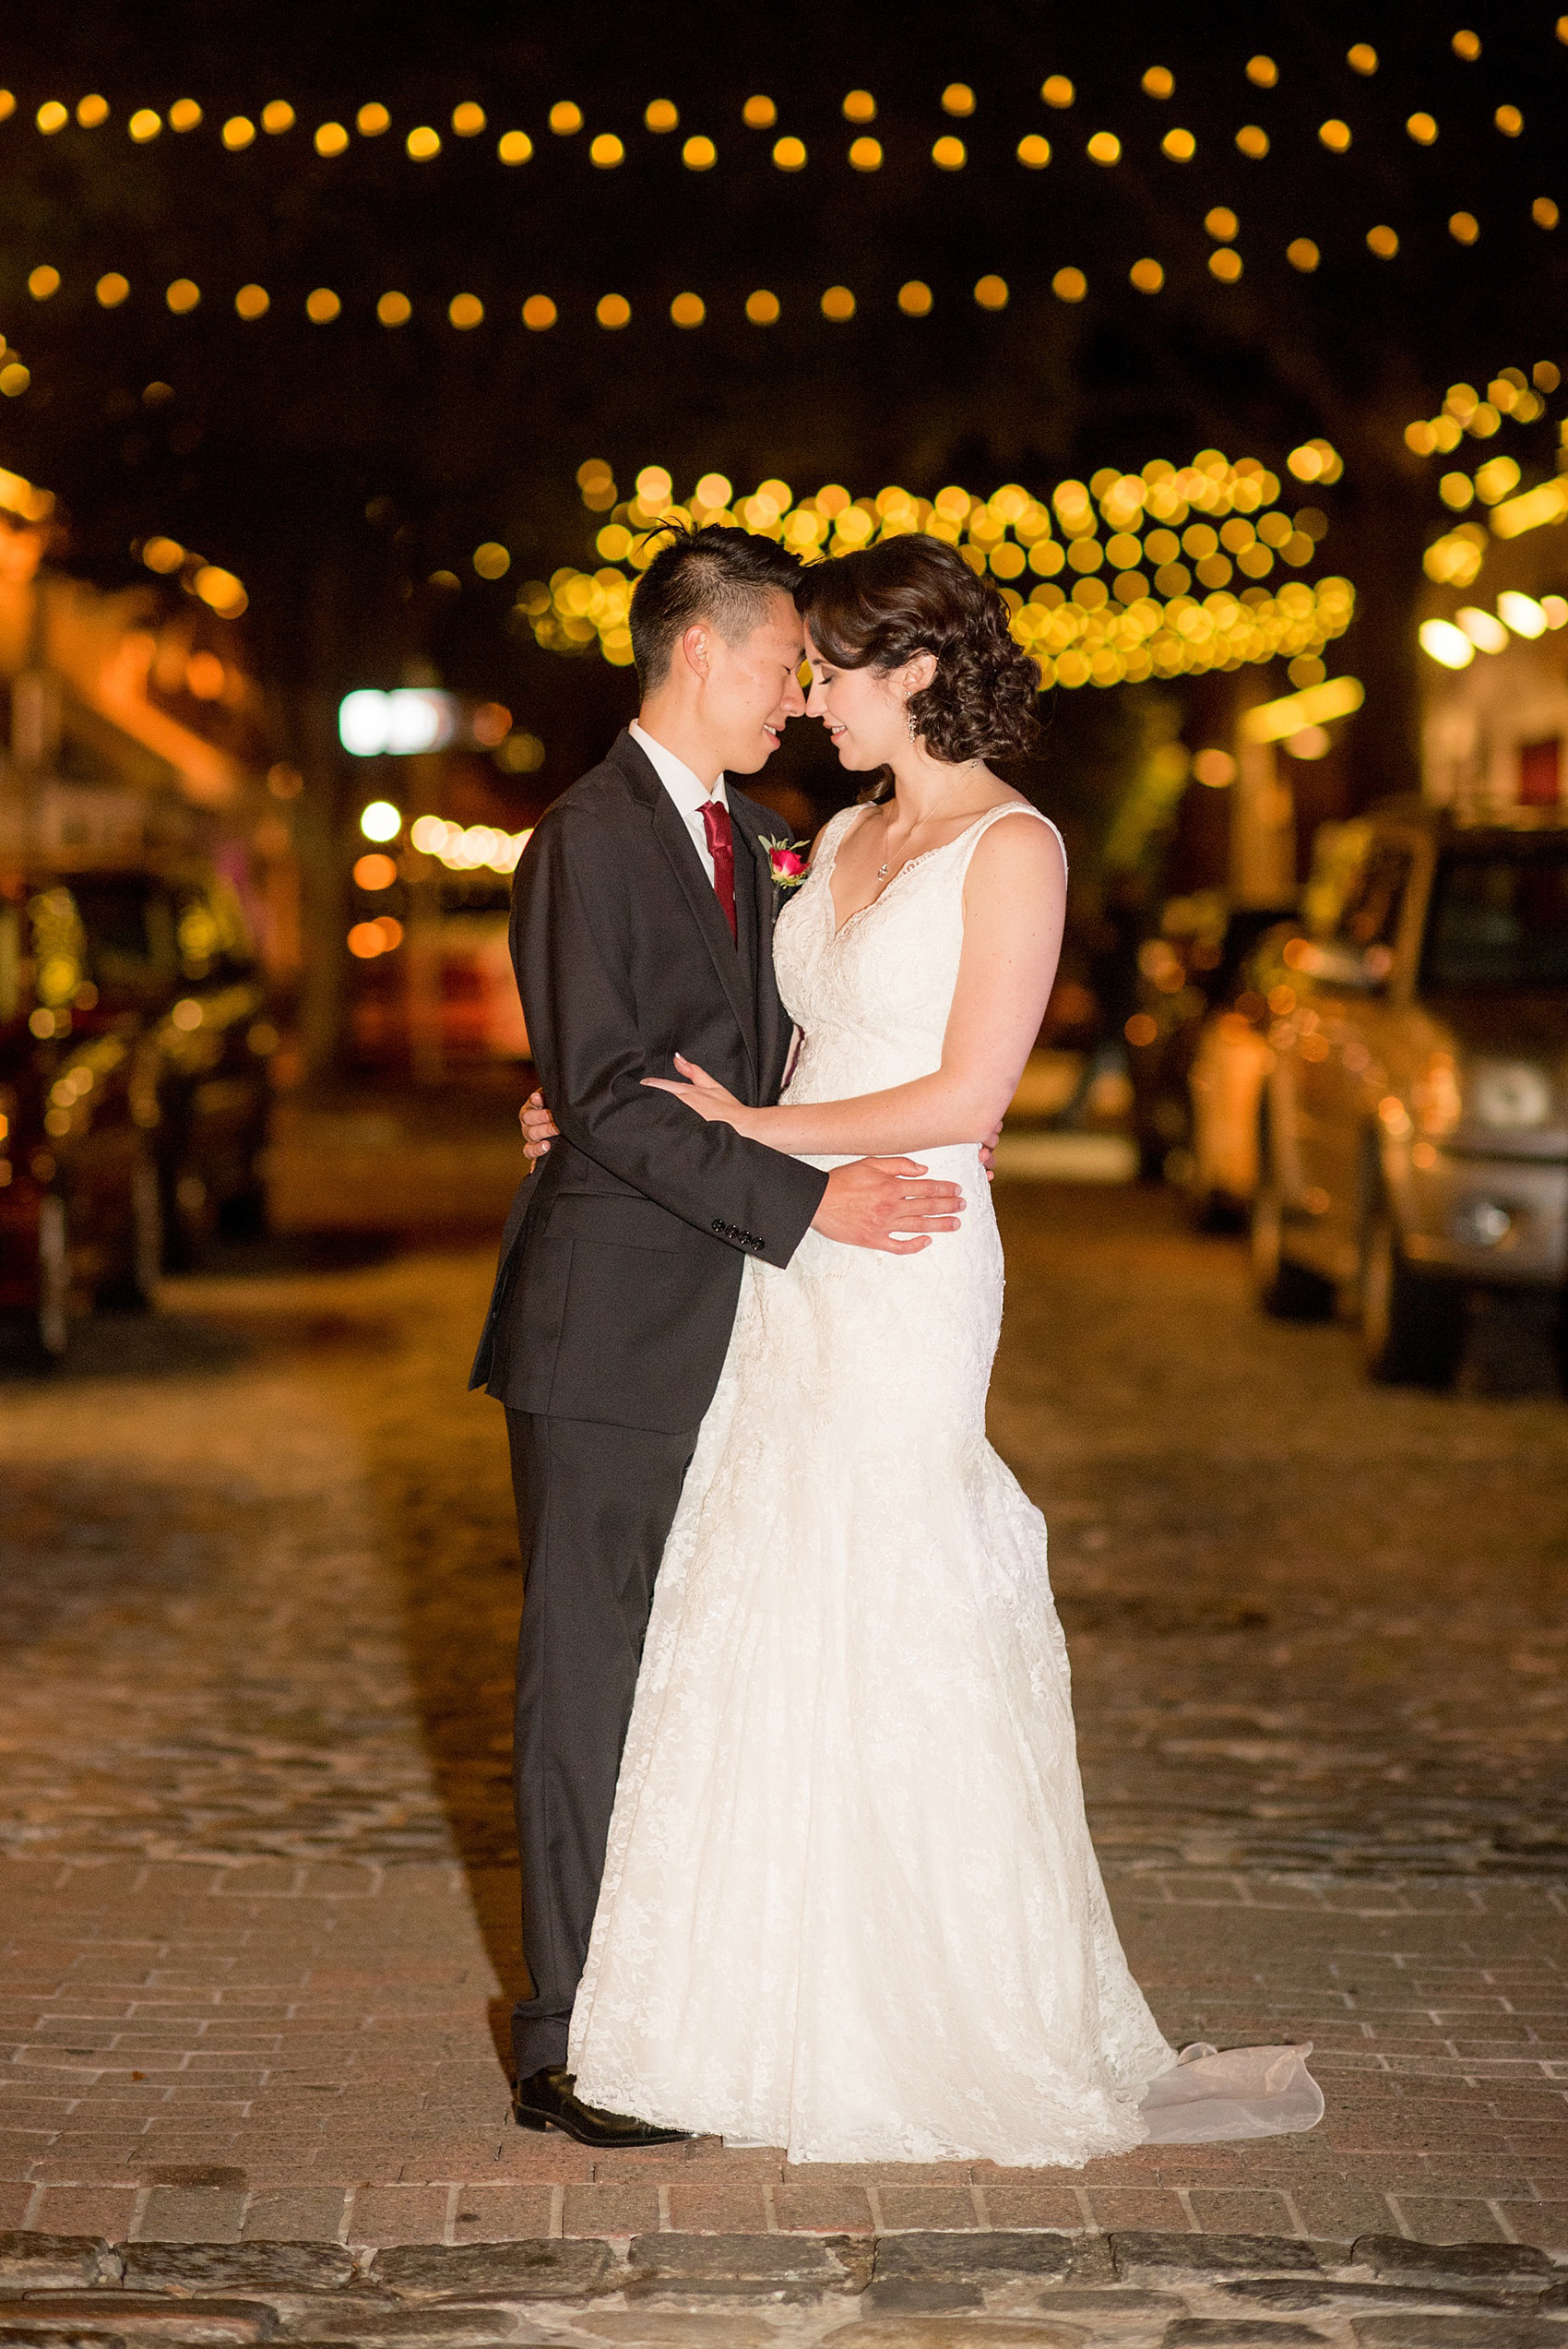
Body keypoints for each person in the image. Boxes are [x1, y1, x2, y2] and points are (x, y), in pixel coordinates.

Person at [534, 534, 1322, 2164]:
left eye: (832, 665)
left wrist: (753, 1130)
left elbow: (969, 1096)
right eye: (794, 663)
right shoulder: (823, 835)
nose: (810, 694)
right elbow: (743, 1024)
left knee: (893, 1584)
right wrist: (597, 1108)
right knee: (761, 1597)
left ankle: (938, 2000)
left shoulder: (1015, 849)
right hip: (789, 1255)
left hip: (899, 1249)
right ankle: (750, 1997)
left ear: (917, 669)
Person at [469, 526, 972, 2150]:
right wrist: (805, 1204)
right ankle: (564, 2045)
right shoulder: (582, 837)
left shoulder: (766, 840)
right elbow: (612, 1088)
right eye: (779, 666)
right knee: (587, 1673)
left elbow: (773, 1065)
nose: (796, 694)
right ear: (703, 651)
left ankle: (665, 2003)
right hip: (606, 1329)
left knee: (696, 1677)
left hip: (751, 1334)